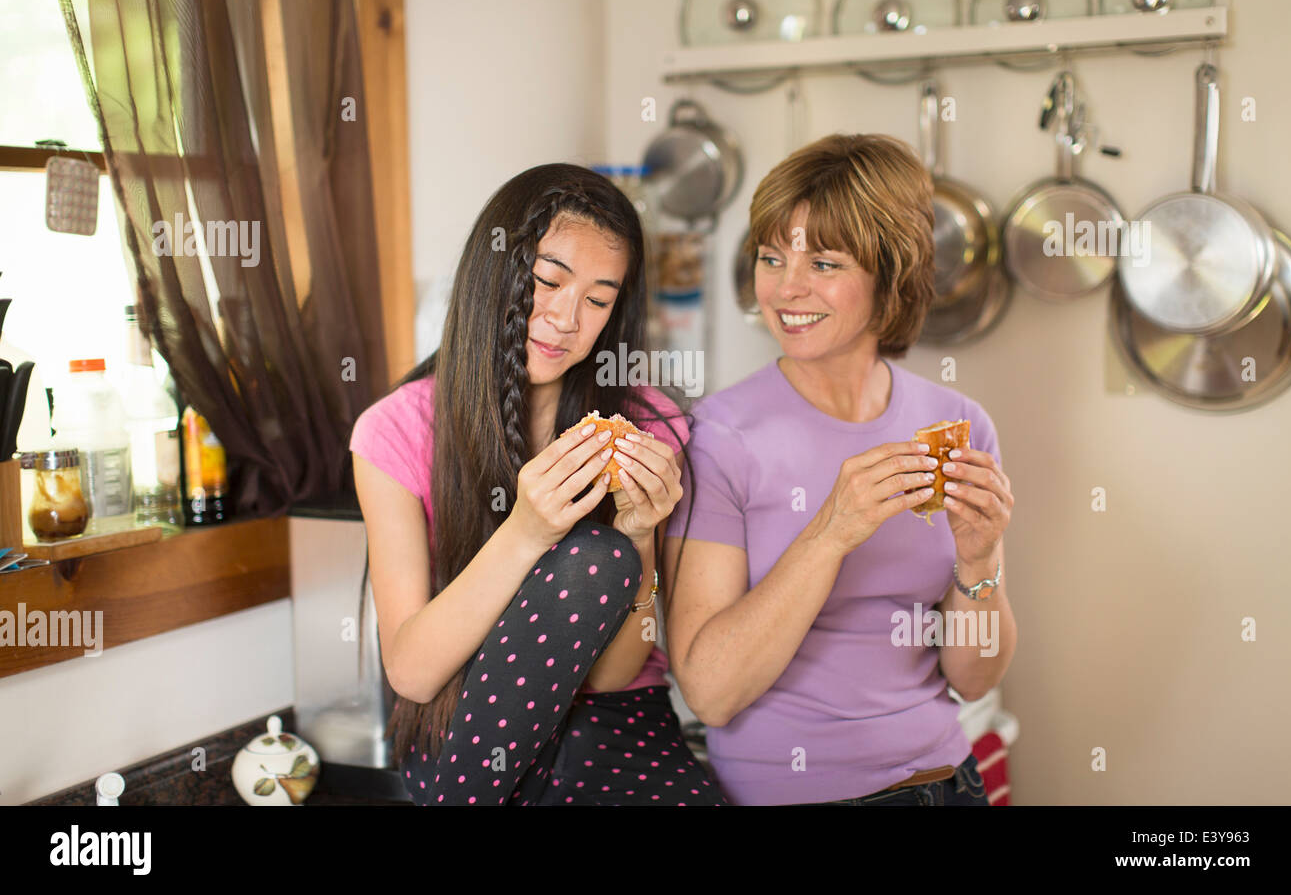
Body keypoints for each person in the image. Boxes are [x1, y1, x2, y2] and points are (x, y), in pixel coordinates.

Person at [350, 163, 726, 805]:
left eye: (598, 300)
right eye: (548, 281)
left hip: (614, 718)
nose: (564, 318)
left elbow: (612, 676)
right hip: (465, 719)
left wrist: (636, 535)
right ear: (493, 272)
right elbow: (412, 673)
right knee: (587, 552)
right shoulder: (397, 429)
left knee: (601, 554)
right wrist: (526, 531)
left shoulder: (648, 427)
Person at [663, 134, 1017, 806]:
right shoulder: (719, 437)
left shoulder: (958, 425)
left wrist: (979, 562)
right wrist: (830, 532)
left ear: (891, 272)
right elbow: (710, 692)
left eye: (824, 262)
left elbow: (974, 679)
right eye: (772, 257)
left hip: (946, 783)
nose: (786, 288)